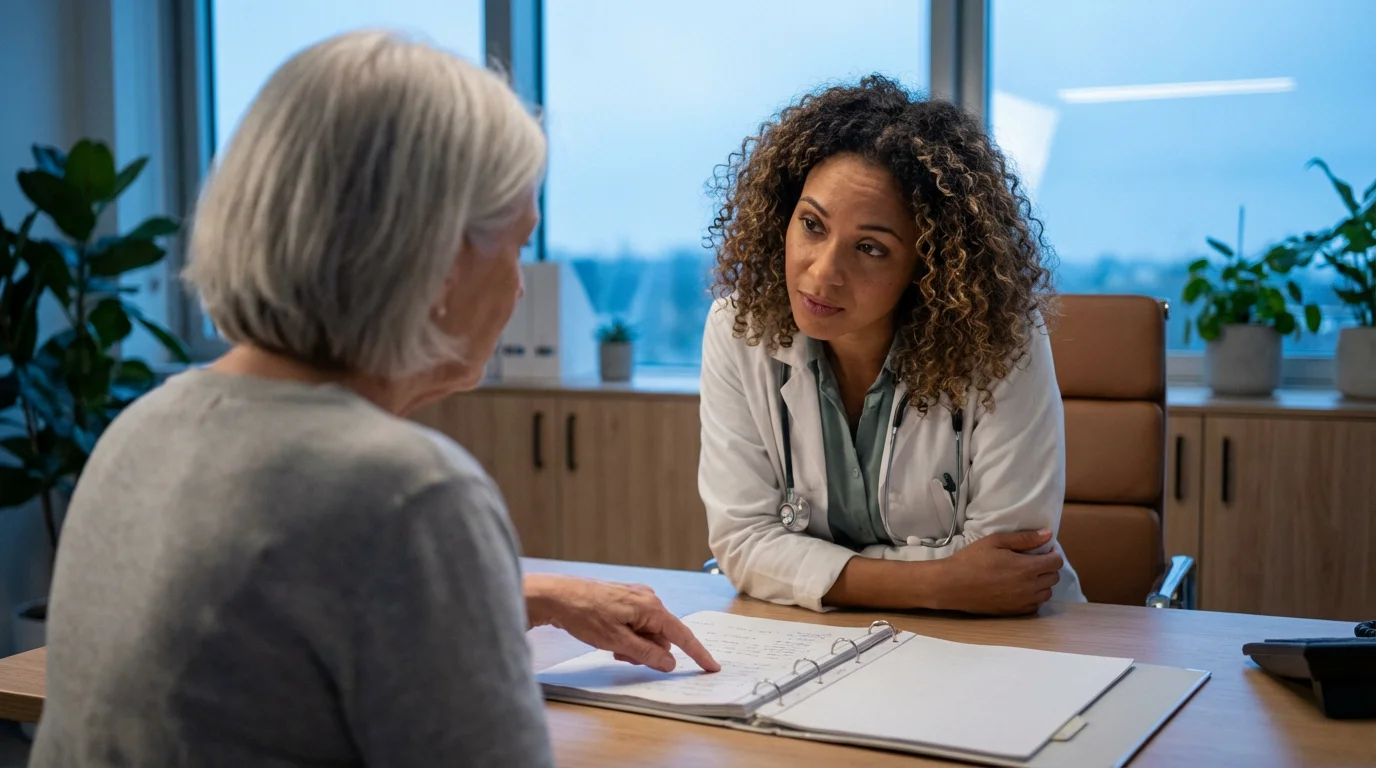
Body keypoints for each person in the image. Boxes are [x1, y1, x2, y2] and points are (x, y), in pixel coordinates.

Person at [31, 30, 716, 768]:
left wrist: (538, 595)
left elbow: (290, 608)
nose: (521, 287)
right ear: (440, 257)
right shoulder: (406, 491)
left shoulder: (142, 428)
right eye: (517, 245)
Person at [698, 75, 1085, 616]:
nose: (823, 272)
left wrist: (811, 567)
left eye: (871, 249)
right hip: (819, 645)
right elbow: (742, 544)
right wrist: (938, 582)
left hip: (998, 645)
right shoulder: (739, 328)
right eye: (811, 224)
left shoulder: (999, 341)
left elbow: (1007, 562)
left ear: (930, 265)